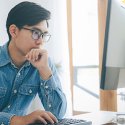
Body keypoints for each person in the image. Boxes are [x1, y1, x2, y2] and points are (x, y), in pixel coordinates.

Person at [0, 1, 67, 125]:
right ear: (14, 31)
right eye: (36, 33)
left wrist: (44, 70)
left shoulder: (43, 63)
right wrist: (20, 120)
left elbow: (57, 114)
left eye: (44, 35)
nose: (40, 41)